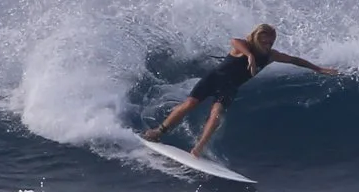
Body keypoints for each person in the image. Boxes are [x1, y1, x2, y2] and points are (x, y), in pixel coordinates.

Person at [143, 23, 337, 159]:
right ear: (255, 38)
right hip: (214, 79)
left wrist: (318, 69)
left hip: (230, 87)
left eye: (271, 42)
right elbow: (234, 41)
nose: (268, 46)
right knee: (190, 104)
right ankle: (158, 132)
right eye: (264, 42)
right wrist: (250, 56)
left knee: (216, 115)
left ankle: (198, 149)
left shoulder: (270, 56)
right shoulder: (243, 47)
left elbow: (295, 60)